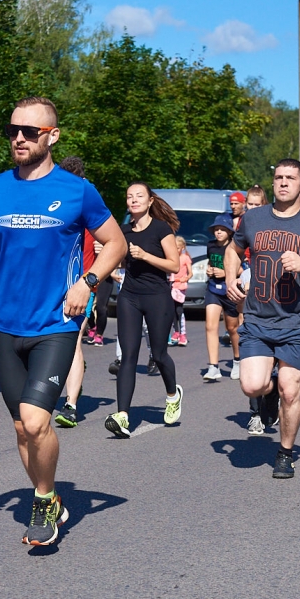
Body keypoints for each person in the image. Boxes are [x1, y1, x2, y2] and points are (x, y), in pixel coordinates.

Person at [0, 96, 125, 546]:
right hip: (6, 322)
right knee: (20, 426)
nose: (18, 138)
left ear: (52, 136)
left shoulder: (76, 190)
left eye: (30, 132)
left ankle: (45, 499)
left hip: (56, 321)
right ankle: (46, 493)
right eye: (13, 130)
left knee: (35, 421)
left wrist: (87, 283)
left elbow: (116, 244)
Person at [226, 159, 300, 478]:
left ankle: (285, 453)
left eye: (291, 178)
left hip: (298, 323)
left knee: (290, 390)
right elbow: (234, 251)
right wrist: (230, 278)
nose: (283, 183)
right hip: (259, 320)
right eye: (278, 177)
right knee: (252, 385)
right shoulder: (253, 218)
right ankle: (267, 393)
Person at [105, 183, 184, 438]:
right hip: (129, 296)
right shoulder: (123, 230)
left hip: (157, 297)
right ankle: (123, 416)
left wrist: (146, 255)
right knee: (128, 356)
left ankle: (172, 395)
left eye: (139, 196)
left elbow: (173, 265)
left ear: (150, 201)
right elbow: (118, 259)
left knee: (159, 354)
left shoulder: (161, 229)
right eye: (129, 196)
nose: (134, 200)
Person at [55, 155, 94, 428]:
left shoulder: (89, 199)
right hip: (52, 284)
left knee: (74, 339)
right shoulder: (56, 200)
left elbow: (113, 239)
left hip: (82, 284)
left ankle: (70, 405)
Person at [203, 215, 240, 383]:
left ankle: (238, 361)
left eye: (222, 230)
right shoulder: (210, 246)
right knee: (210, 326)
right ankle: (213, 367)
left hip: (229, 290)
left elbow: (242, 269)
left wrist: (227, 273)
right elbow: (210, 263)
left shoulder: (234, 247)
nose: (218, 232)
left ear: (229, 232)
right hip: (213, 289)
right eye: (216, 230)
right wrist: (210, 271)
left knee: (232, 328)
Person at [169, 236, 191, 347]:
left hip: (180, 287)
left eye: (178, 248)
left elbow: (190, 273)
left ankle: (183, 334)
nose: (176, 250)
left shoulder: (185, 258)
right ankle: (176, 332)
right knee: (171, 310)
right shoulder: (171, 258)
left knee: (179, 310)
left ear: (182, 248)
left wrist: (185, 278)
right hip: (172, 286)